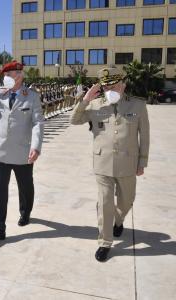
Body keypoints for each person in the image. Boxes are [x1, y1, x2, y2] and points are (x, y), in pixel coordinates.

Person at [70, 66, 150, 262]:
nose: (110, 90)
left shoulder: (138, 106)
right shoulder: (95, 104)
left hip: (128, 163)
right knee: (105, 202)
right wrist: (86, 99)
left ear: (123, 84)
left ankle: (119, 220)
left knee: (126, 201)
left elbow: (144, 137)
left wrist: (142, 162)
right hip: (102, 163)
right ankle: (105, 243)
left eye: (114, 86)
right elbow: (74, 119)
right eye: (106, 87)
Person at [0, 61, 44, 241]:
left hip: (22, 152)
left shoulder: (32, 96)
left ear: (20, 76)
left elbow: (37, 123)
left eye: (10, 75)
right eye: (5, 75)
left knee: (25, 187)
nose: (7, 78)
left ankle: (25, 212)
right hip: (0, 151)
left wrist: (36, 146)